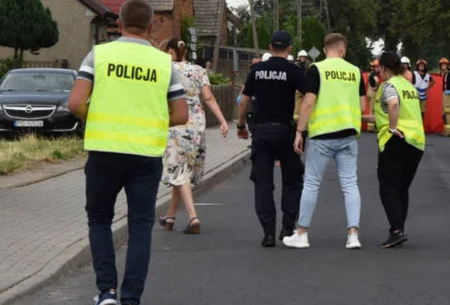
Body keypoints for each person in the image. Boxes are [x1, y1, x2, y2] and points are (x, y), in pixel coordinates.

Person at [67, 0, 189, 305]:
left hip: (104, 151)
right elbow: (181, 114)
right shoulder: (165, 64)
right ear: (151, 28)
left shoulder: (100, 54)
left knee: (99, 220)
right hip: (146, 155)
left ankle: (106, 291)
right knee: (140, 227)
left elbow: (75, 103)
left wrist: (95, 119)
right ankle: (131, 304)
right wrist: (149, 122)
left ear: (118, 24)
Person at [286, 32, 368, 250]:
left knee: (311, 183)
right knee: (350, 184)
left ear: (325, 50)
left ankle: (302, 234)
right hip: (348, 135)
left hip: (322, 135)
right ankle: (353, 235)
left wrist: (299, 132)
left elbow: (308, 102)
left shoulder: (318, 69)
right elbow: (362, 107)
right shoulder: (355, 72)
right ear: (343, 49)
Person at [237, 31, 306, 247]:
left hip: (262, 132)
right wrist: (302, 130)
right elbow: (309, 97)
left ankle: (268, 232)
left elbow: (244, 101)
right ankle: (287, 228)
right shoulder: (293, 71)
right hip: (285, 131)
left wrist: (240, 126)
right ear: (289, 48)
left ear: (270, 46)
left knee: (262, 182)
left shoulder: (257, 71)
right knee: (292, 180)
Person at [158, 38, 228, 234]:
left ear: (170, 51)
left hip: (175, 123)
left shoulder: (165, 69)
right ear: (185, 51)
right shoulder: (198, 70)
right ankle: (170, 217)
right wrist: (222, 120)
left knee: (179, 171)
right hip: (196, 124)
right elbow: (208, 97)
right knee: (184, 170)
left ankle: (193, 217)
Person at [365, 51, 425, 248]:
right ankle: (399, 228)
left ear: (383, 68)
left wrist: (391, 128)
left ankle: (397, 230)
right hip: (416, 142)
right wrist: (360, 118)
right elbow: (386, 113)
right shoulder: (409, 87)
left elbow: (393, 104)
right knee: (401, 187)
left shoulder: (389, 85)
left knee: (388, 186)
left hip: (396, 139)